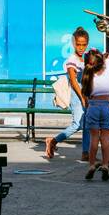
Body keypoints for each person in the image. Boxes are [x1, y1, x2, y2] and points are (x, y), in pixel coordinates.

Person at [46, 27, 92, 161]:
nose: (81, 48)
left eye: (84, 45)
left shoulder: (85, 60)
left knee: (87, 124)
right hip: (77, 95)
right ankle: (53, 140)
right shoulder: (72, 59)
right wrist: (82, 98)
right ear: (73, 44)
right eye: (78, 44)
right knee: (77, 124)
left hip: (85, 93)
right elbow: (73, 81)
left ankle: (85, 152)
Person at [81, 48, 109, 182]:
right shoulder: (108, 67)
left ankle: (91, 165)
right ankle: (105, 164)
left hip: (93, 107)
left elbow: (85, 95)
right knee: (105, 139)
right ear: (101, 62)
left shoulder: (88, 75)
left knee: (93, 139)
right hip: (106, 107)